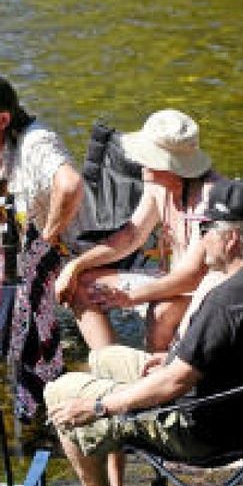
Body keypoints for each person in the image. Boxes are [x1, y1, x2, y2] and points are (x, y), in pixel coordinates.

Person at [45, 179, 243, 486]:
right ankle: (116, 482)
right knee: (105, 358)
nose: (200, 240)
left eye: (205, 229)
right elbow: (231, 358)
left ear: (231, 239)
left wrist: (99, 407)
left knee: (62, 391)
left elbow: (175, 381)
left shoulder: (228, 299)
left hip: (204, 433)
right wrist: (171, 358)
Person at [54, 109, 217, 351]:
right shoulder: (158, 185)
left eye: (147, 156)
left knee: (162, 310)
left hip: (206, 293)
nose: (139, 161)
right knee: (82, 283)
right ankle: (109, 363)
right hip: (171, 280)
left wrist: (132, 297)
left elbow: (193, 276)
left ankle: (157, 377)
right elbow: (131, 236)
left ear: (168, 164)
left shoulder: (209, 198)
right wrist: (75, 266)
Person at [0, 71, 87, 248]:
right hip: (12, 253)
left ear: (3, 120)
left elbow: (71, 186)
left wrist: (45, 241)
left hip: (66, 255)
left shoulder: (36, 143)